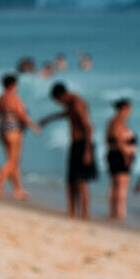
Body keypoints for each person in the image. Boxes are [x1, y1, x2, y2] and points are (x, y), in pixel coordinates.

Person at [39, 83, 96, 219]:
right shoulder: (71, 103)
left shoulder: (77, 103)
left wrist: (88, 151)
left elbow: (88, 127)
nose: (59, 104)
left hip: (83, 144)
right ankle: (71, 211)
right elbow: (66, 114)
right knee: (71, 180)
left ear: (62, 96)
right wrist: (48, 119)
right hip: (76, 143)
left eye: (58, 101)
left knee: (81, 181)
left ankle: (84, 213)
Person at [0, 74, 41, 199]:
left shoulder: (0, 98)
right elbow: (21, 114)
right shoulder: (14, 97)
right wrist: (33, 126)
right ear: (13, 84)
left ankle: (18, 190)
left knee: (13, 160)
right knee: (13, 161)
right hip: (14, 128)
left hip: (3, 129)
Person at [105, 98, 138, 219]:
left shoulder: (114, 121)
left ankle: (114, 211)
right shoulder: (118, 122)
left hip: (114, 153)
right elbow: (118, 140)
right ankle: (119, 212)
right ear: (124, 109)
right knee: (121, 185)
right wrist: (127, 156)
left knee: (115, 185)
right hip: (120, 154)